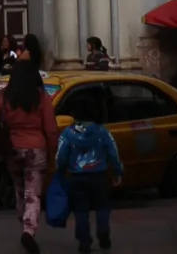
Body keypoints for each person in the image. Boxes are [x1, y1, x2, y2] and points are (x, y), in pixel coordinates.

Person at [0, 34, 56, 253]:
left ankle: (23, 219)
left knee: (19, 190)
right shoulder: (41, 97)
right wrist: (53, 152)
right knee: (33, 193)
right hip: (37, 148)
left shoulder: (5, 96)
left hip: (12, 149)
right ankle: (29, 229)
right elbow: (51, 129)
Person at [55, 94, 122, 250]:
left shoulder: (67, 134)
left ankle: (84, 241)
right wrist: (117, 171)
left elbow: (61, 156)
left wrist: (61, 172)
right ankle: (103, 232)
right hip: (99, 176)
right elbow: (113, 152)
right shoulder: (102, 132)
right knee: (102, 207)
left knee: (80, 211)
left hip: (77, 178)